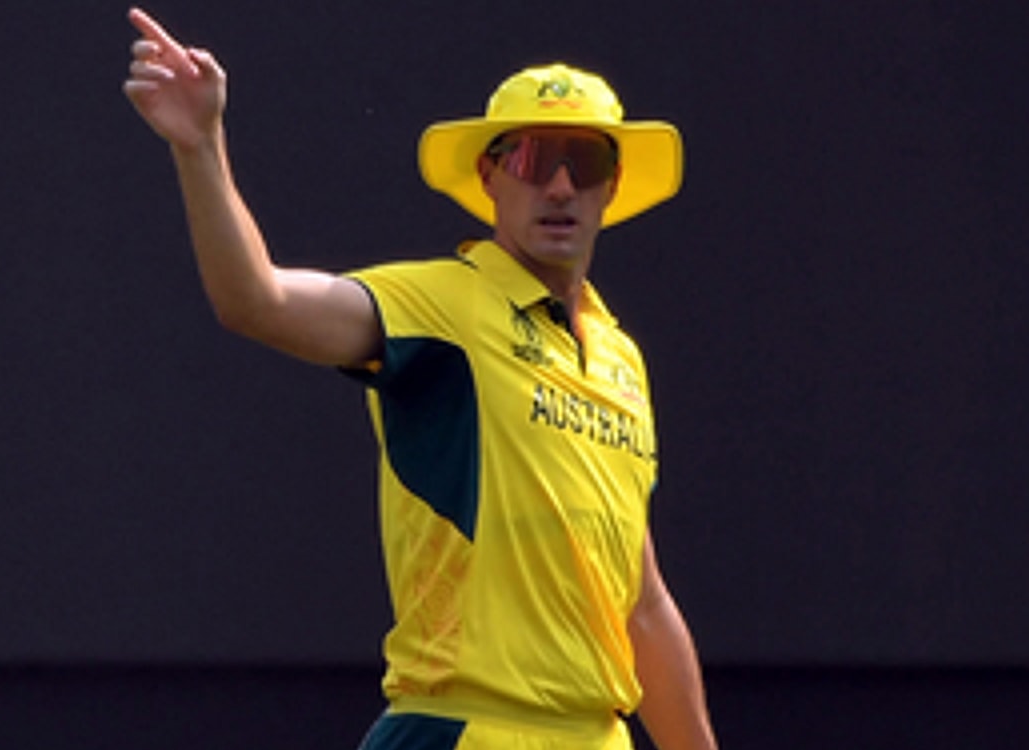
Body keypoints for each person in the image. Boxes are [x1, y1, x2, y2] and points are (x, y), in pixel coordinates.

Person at [123, 7, 717, 750]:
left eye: (585, 162)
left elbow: (643, 603)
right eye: (534, 159)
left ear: (612, 186)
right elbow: (257, 301)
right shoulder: (444, 306)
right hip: (462, 728)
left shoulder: (619, 357)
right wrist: (201, 145)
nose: (561, 186)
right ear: (490, 176)